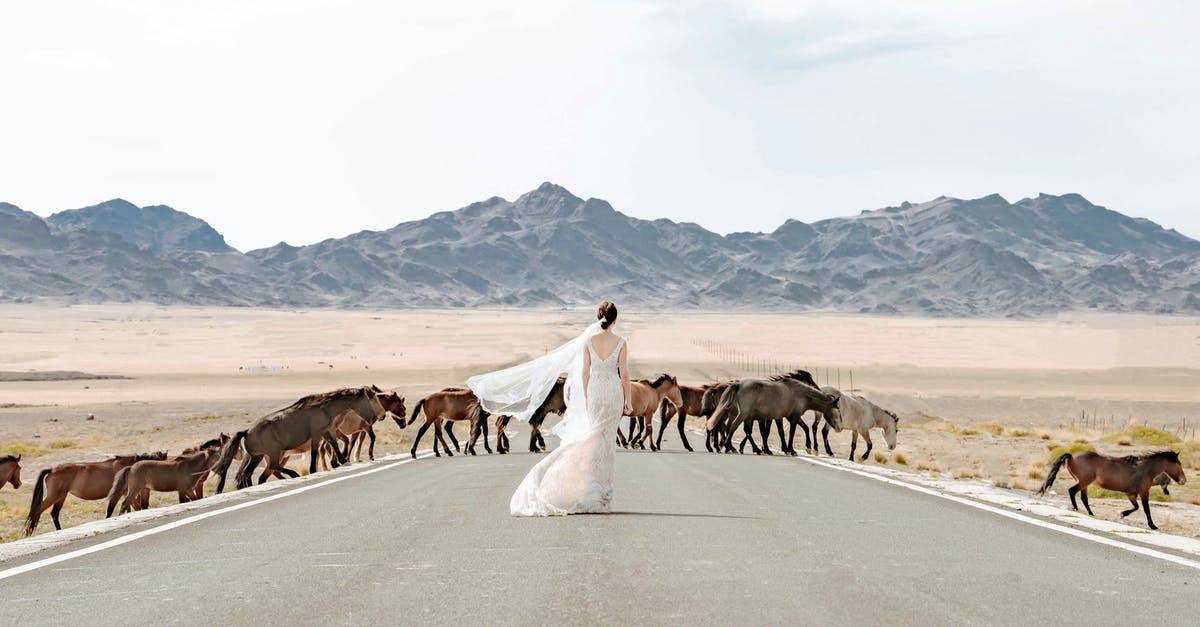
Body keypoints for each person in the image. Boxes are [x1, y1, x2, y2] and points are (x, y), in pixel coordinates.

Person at [467, 301, 631, 516]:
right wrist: (627, 400)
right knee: (606, 442)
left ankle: (591, 490)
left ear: (598, 316)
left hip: (595, 392)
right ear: (615, 319)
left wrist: (587, 397)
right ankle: (600, 493)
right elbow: (624, 374)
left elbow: (584, 373)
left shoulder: (589, 342)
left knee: (593, 439)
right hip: (612, 394)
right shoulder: (621, 342)